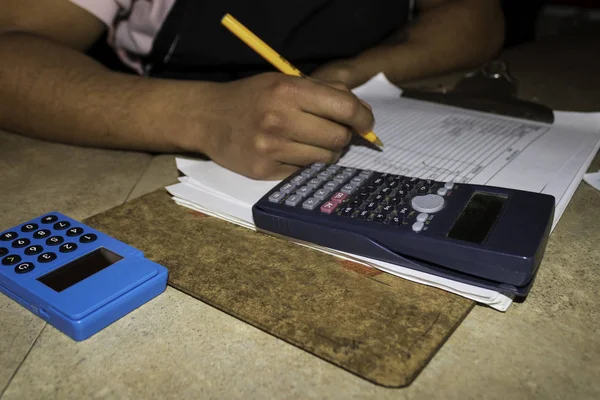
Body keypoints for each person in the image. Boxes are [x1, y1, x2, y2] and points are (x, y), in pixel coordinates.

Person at [0, 0, 504, 180]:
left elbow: (475, 16)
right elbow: (10, 48)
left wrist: (350, 74)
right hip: (165, 126)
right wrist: (203, 117)